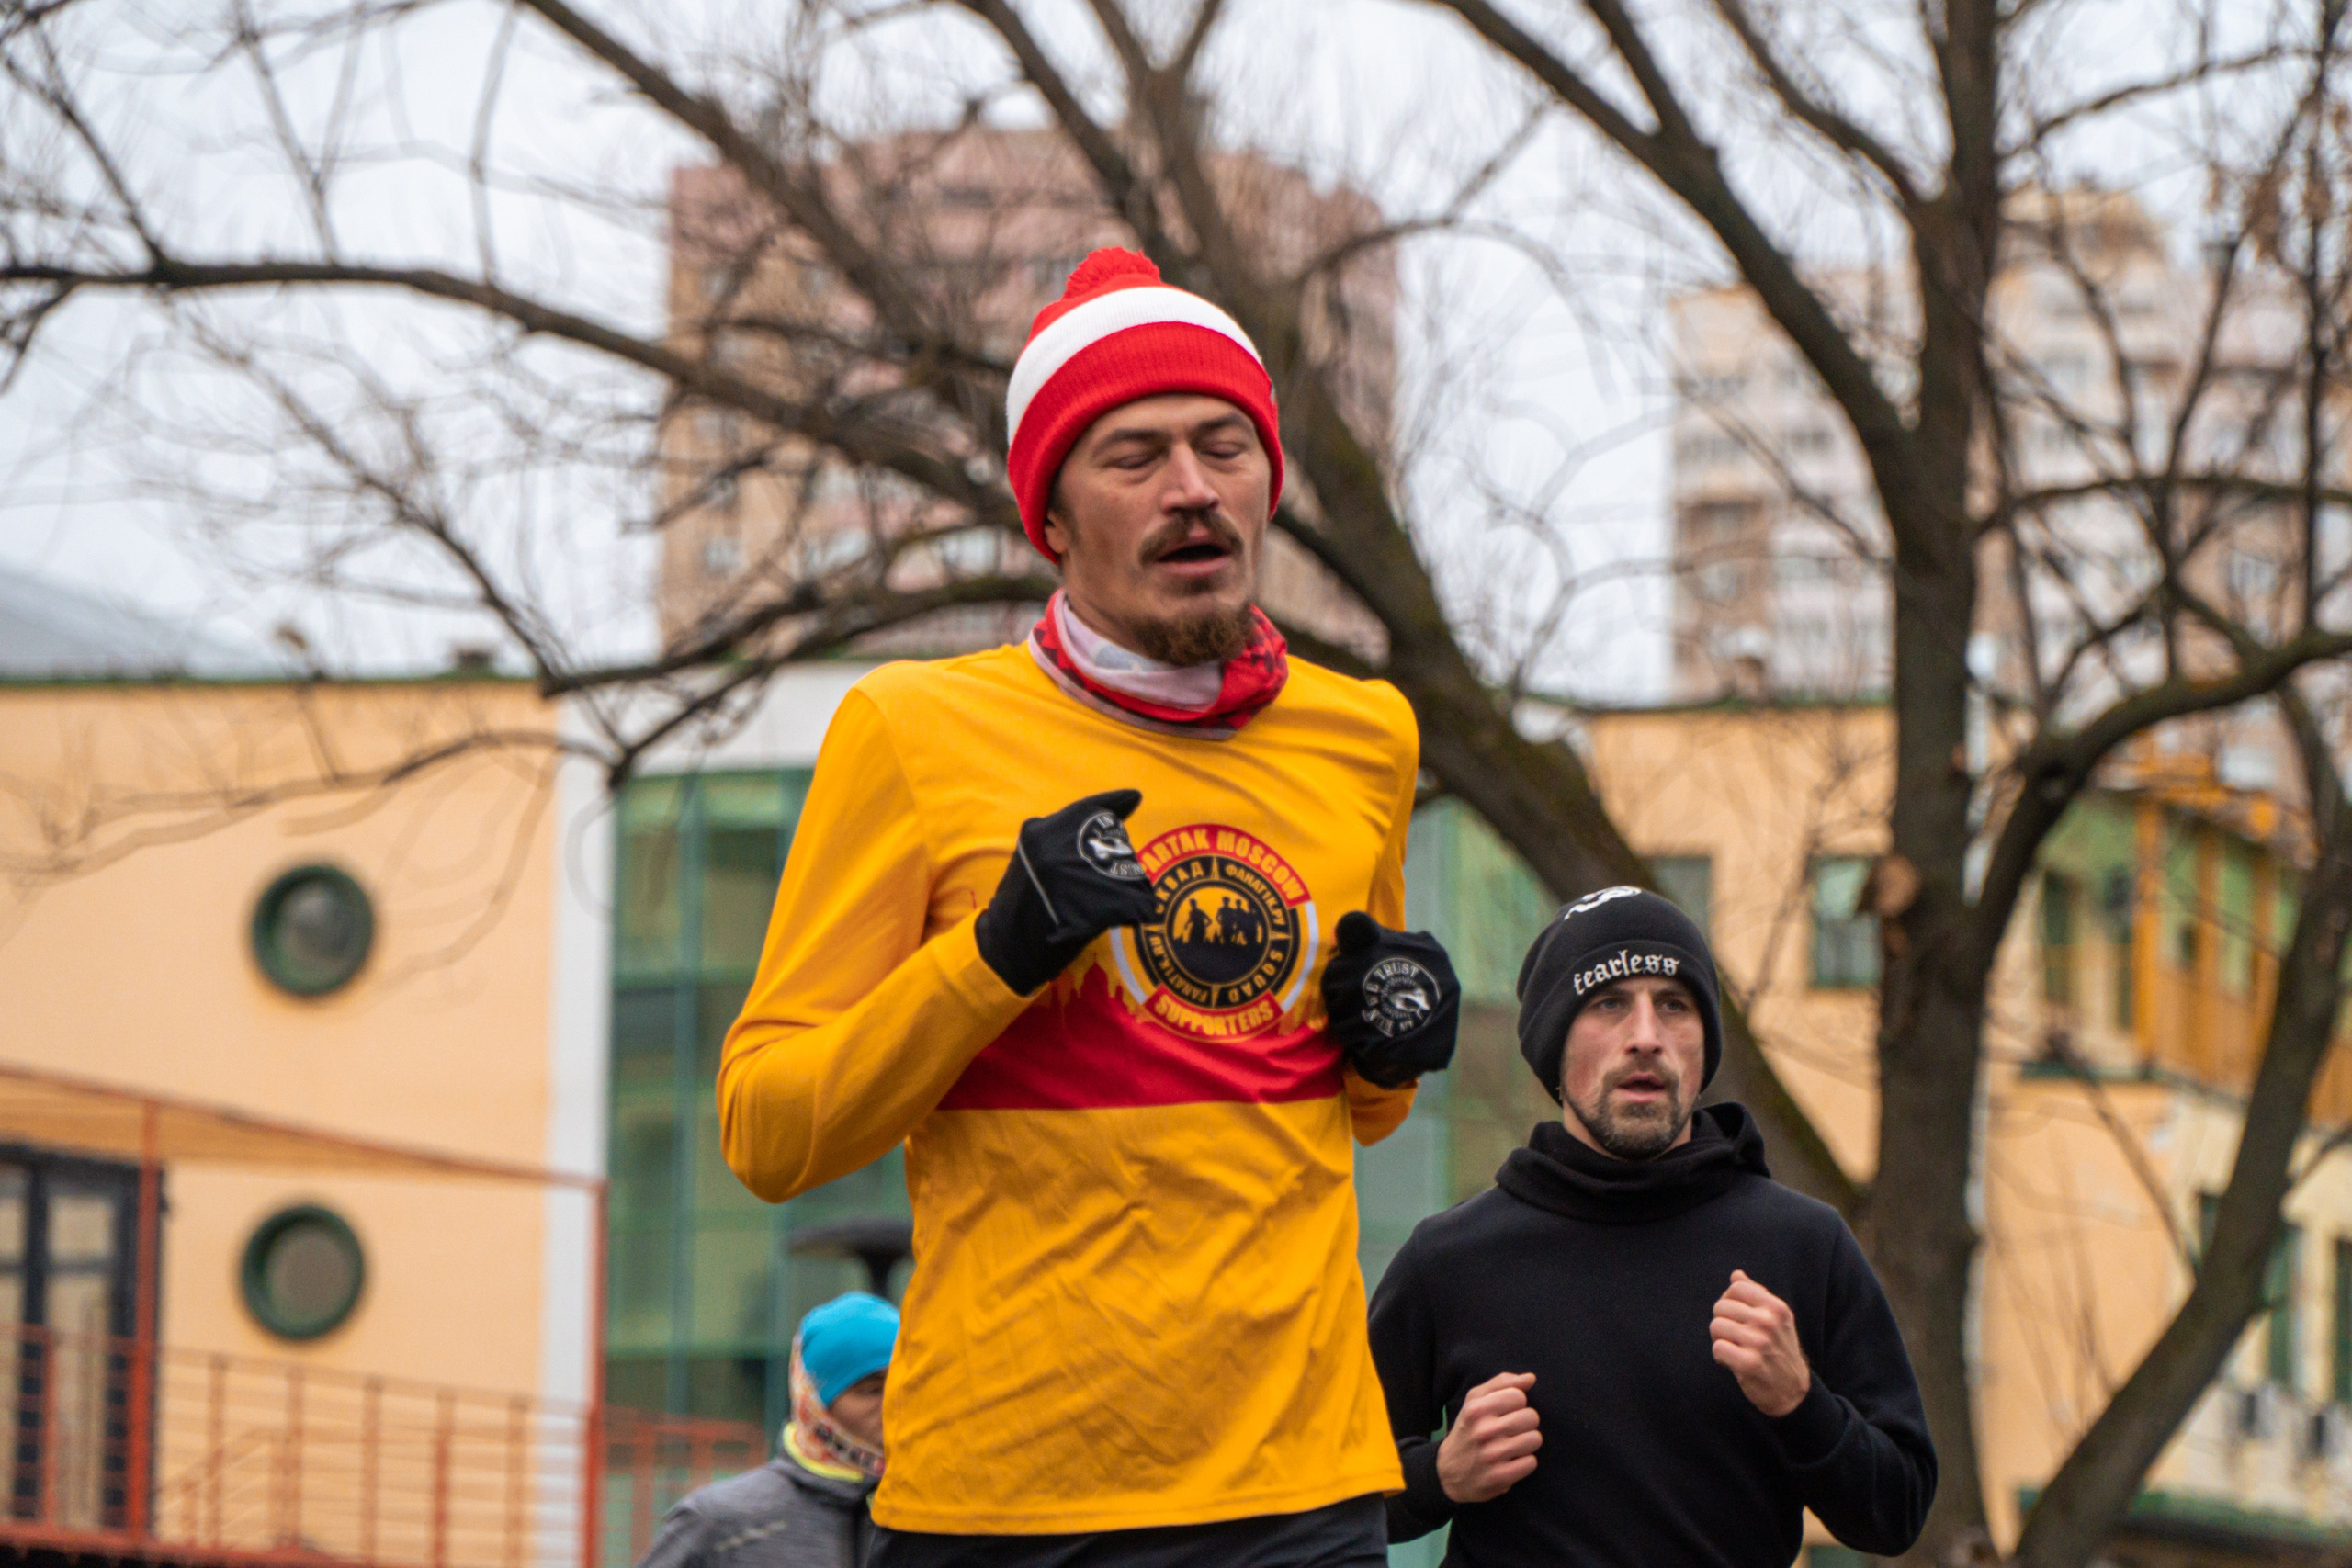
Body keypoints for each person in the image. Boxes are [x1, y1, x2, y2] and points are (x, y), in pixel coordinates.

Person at [718, 247, 1463, 1567]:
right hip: (1009, 1501)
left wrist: (1388, 1043)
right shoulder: (910, 729)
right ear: (1050, 518)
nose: (1193, 488)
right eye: (1135, 455)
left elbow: (1353, 1109)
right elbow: (769, 1129)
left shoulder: (1367, 734)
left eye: (1225, 447)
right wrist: (997, 951)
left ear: (1268, 485)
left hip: (1298, 1487)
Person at [1367, 887, 1936, 1566]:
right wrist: (1440, 1475)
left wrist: (1801, 1402)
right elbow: (1322, 1500)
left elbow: (1898, 1511)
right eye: (1609, 1003)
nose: (1646, 1035)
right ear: (1555, 1042)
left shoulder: (1803, 1244)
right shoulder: (1449, 1259)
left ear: (1704, 1043)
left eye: (1675, 1004)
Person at [636, 1292, 899, 1568]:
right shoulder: (722, 1524)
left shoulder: (930, 1519)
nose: (894, 1403)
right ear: (814, 1403)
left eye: (905, 1386)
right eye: (872, 1390)